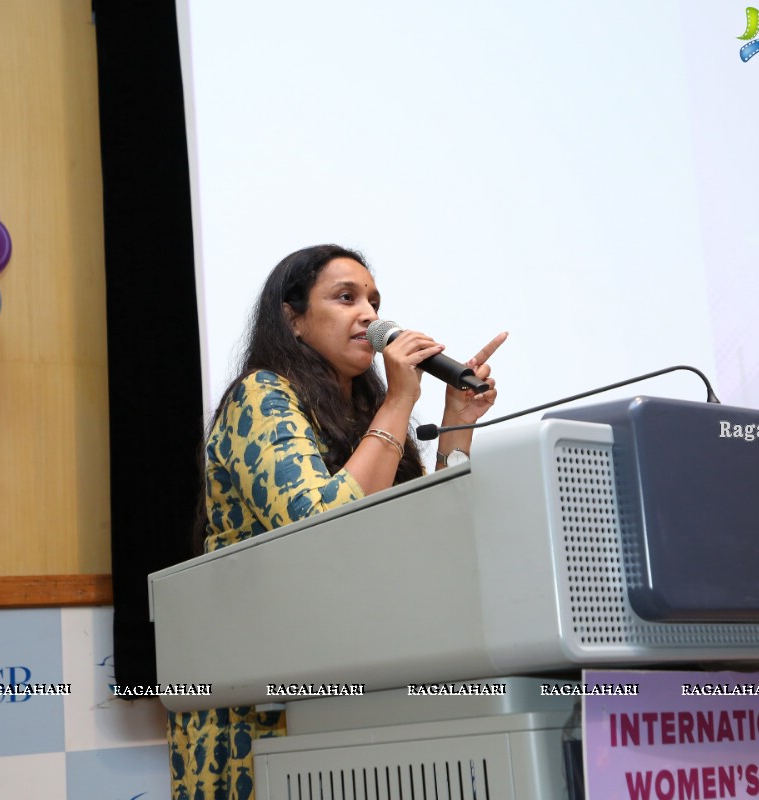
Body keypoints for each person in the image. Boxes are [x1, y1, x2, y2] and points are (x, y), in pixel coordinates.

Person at [168, 244, 507, 800]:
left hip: (353, 668)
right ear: (292, 318)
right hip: (262, 688)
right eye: (346, 298)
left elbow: (427, 527)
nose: (370, 315)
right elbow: (319, 525)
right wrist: (400, 400)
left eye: (374, 300)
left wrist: (456, 421)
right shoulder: (262, 395)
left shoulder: (368, 410)